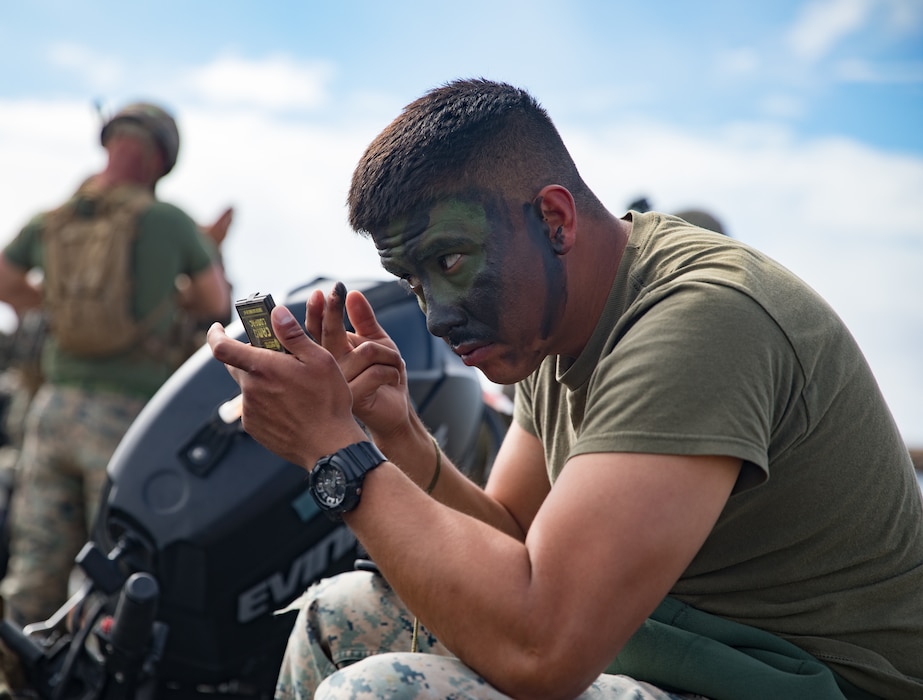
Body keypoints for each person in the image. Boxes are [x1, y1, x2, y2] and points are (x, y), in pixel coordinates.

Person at [207, 79, 923, 700]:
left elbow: (541, 651)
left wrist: (334, 453)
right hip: (686, 651)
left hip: (802, 682)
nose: (435, 317)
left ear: (553, 219)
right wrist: (394, 436)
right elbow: (517, 543)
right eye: (414, 282)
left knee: (379, 692)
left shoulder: (700, 321)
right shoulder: (552, 334)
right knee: (334, 618)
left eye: (449, 260)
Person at [0, 101, 231, 626]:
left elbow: (3, 279)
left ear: (109, 144)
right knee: (119, 566)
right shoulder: (167, 221)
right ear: (159, 160)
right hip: (129, 418)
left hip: (51, 409)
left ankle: (14, 675)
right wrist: (164, 306)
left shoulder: (52, 219)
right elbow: (215, 300)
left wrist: (56, 307)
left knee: (35, 564)